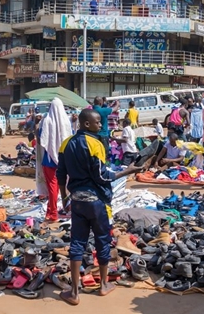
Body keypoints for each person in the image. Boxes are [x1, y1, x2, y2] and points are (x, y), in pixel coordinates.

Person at [56, 109, 143, 306]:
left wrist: (64, 199)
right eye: (97, 122)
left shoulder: (66, 143)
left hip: (77, 201)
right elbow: (102, 177)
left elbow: (60, 174)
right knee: (102, 241)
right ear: (87, 124)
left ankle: (74, 292)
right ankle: (103, 285)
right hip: (97, 202)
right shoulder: (95, 144)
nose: (101, 125)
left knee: (77, 243)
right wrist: (127, 171)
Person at [37, 98, 72, 222]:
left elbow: (42, 139)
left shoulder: (47, 121)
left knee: (52, 187)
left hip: (49, 160)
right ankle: (51, 210)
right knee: (58, 186)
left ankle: (53, 213)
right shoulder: (66, 121)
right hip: (63, 159)